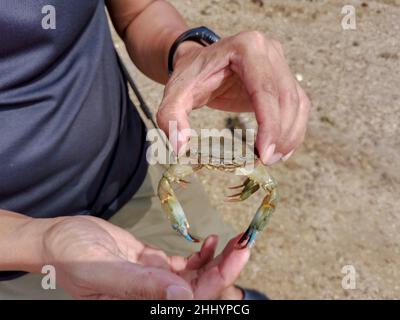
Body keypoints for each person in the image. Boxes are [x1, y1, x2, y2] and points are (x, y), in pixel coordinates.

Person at [0, 0, 310, 299]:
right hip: (15, 251)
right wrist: (40, 242)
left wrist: (188, 55)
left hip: (127, 168)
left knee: (208, 278)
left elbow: (139, 10)